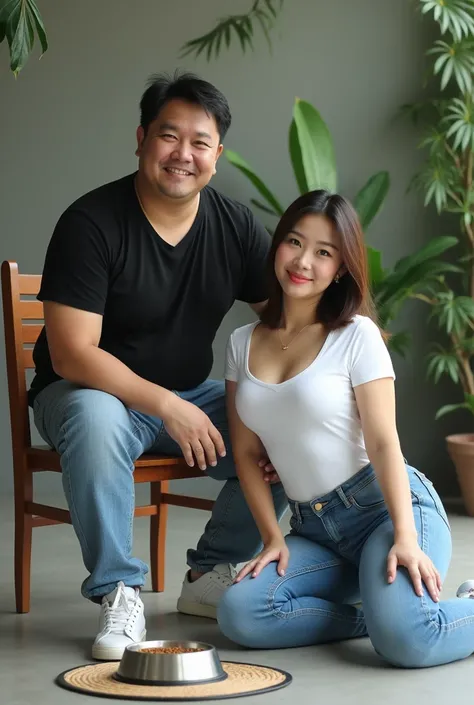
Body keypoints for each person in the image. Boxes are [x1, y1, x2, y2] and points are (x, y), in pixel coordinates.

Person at [28, 71, 288, 660]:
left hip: (189, 394)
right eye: (170, 136)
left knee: (280, 423)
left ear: (217, 156)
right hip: (83, 395)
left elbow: (284, 318)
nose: (183, 154)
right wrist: (167, 405)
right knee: (97, 417)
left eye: (200, 142)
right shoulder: (91, 223)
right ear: (142, 137)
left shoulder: (235, 226)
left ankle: (208, 576)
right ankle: (119, 591)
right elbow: (73, 353)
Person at [217, 189, 474, 668]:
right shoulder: (241, 342)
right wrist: (272, 536)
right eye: (294, 242)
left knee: (410, 642)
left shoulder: (356, 335)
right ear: (277, 246)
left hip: (386, 510)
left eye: (323, 252)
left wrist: (404, 535)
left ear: (341, 268)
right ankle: (374, 618)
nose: (303, 261)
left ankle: (436, 609)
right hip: (314, 528)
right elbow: (247, 452)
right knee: (241, 613)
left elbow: (383, 442)